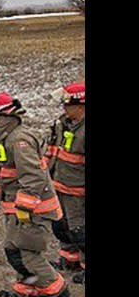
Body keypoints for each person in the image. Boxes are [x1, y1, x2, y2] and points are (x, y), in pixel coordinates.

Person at [0, 92, 68, 297]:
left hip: (33, 210)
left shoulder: (19, 140)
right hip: (16, 208)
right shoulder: (5, 139)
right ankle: (28, 287)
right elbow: (7, 174)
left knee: (29, 253)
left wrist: (25, 207)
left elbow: (33, 177)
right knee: (13, 249)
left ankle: (54, 289)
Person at [44, 82, 86, 284]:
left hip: (78, 191)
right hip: (58, 185)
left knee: (80, 230)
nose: (63, 108)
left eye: (67, 104)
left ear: (81, 106)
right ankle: (69, 261)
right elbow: (51, 152)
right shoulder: (61, 124)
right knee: (61, 227)